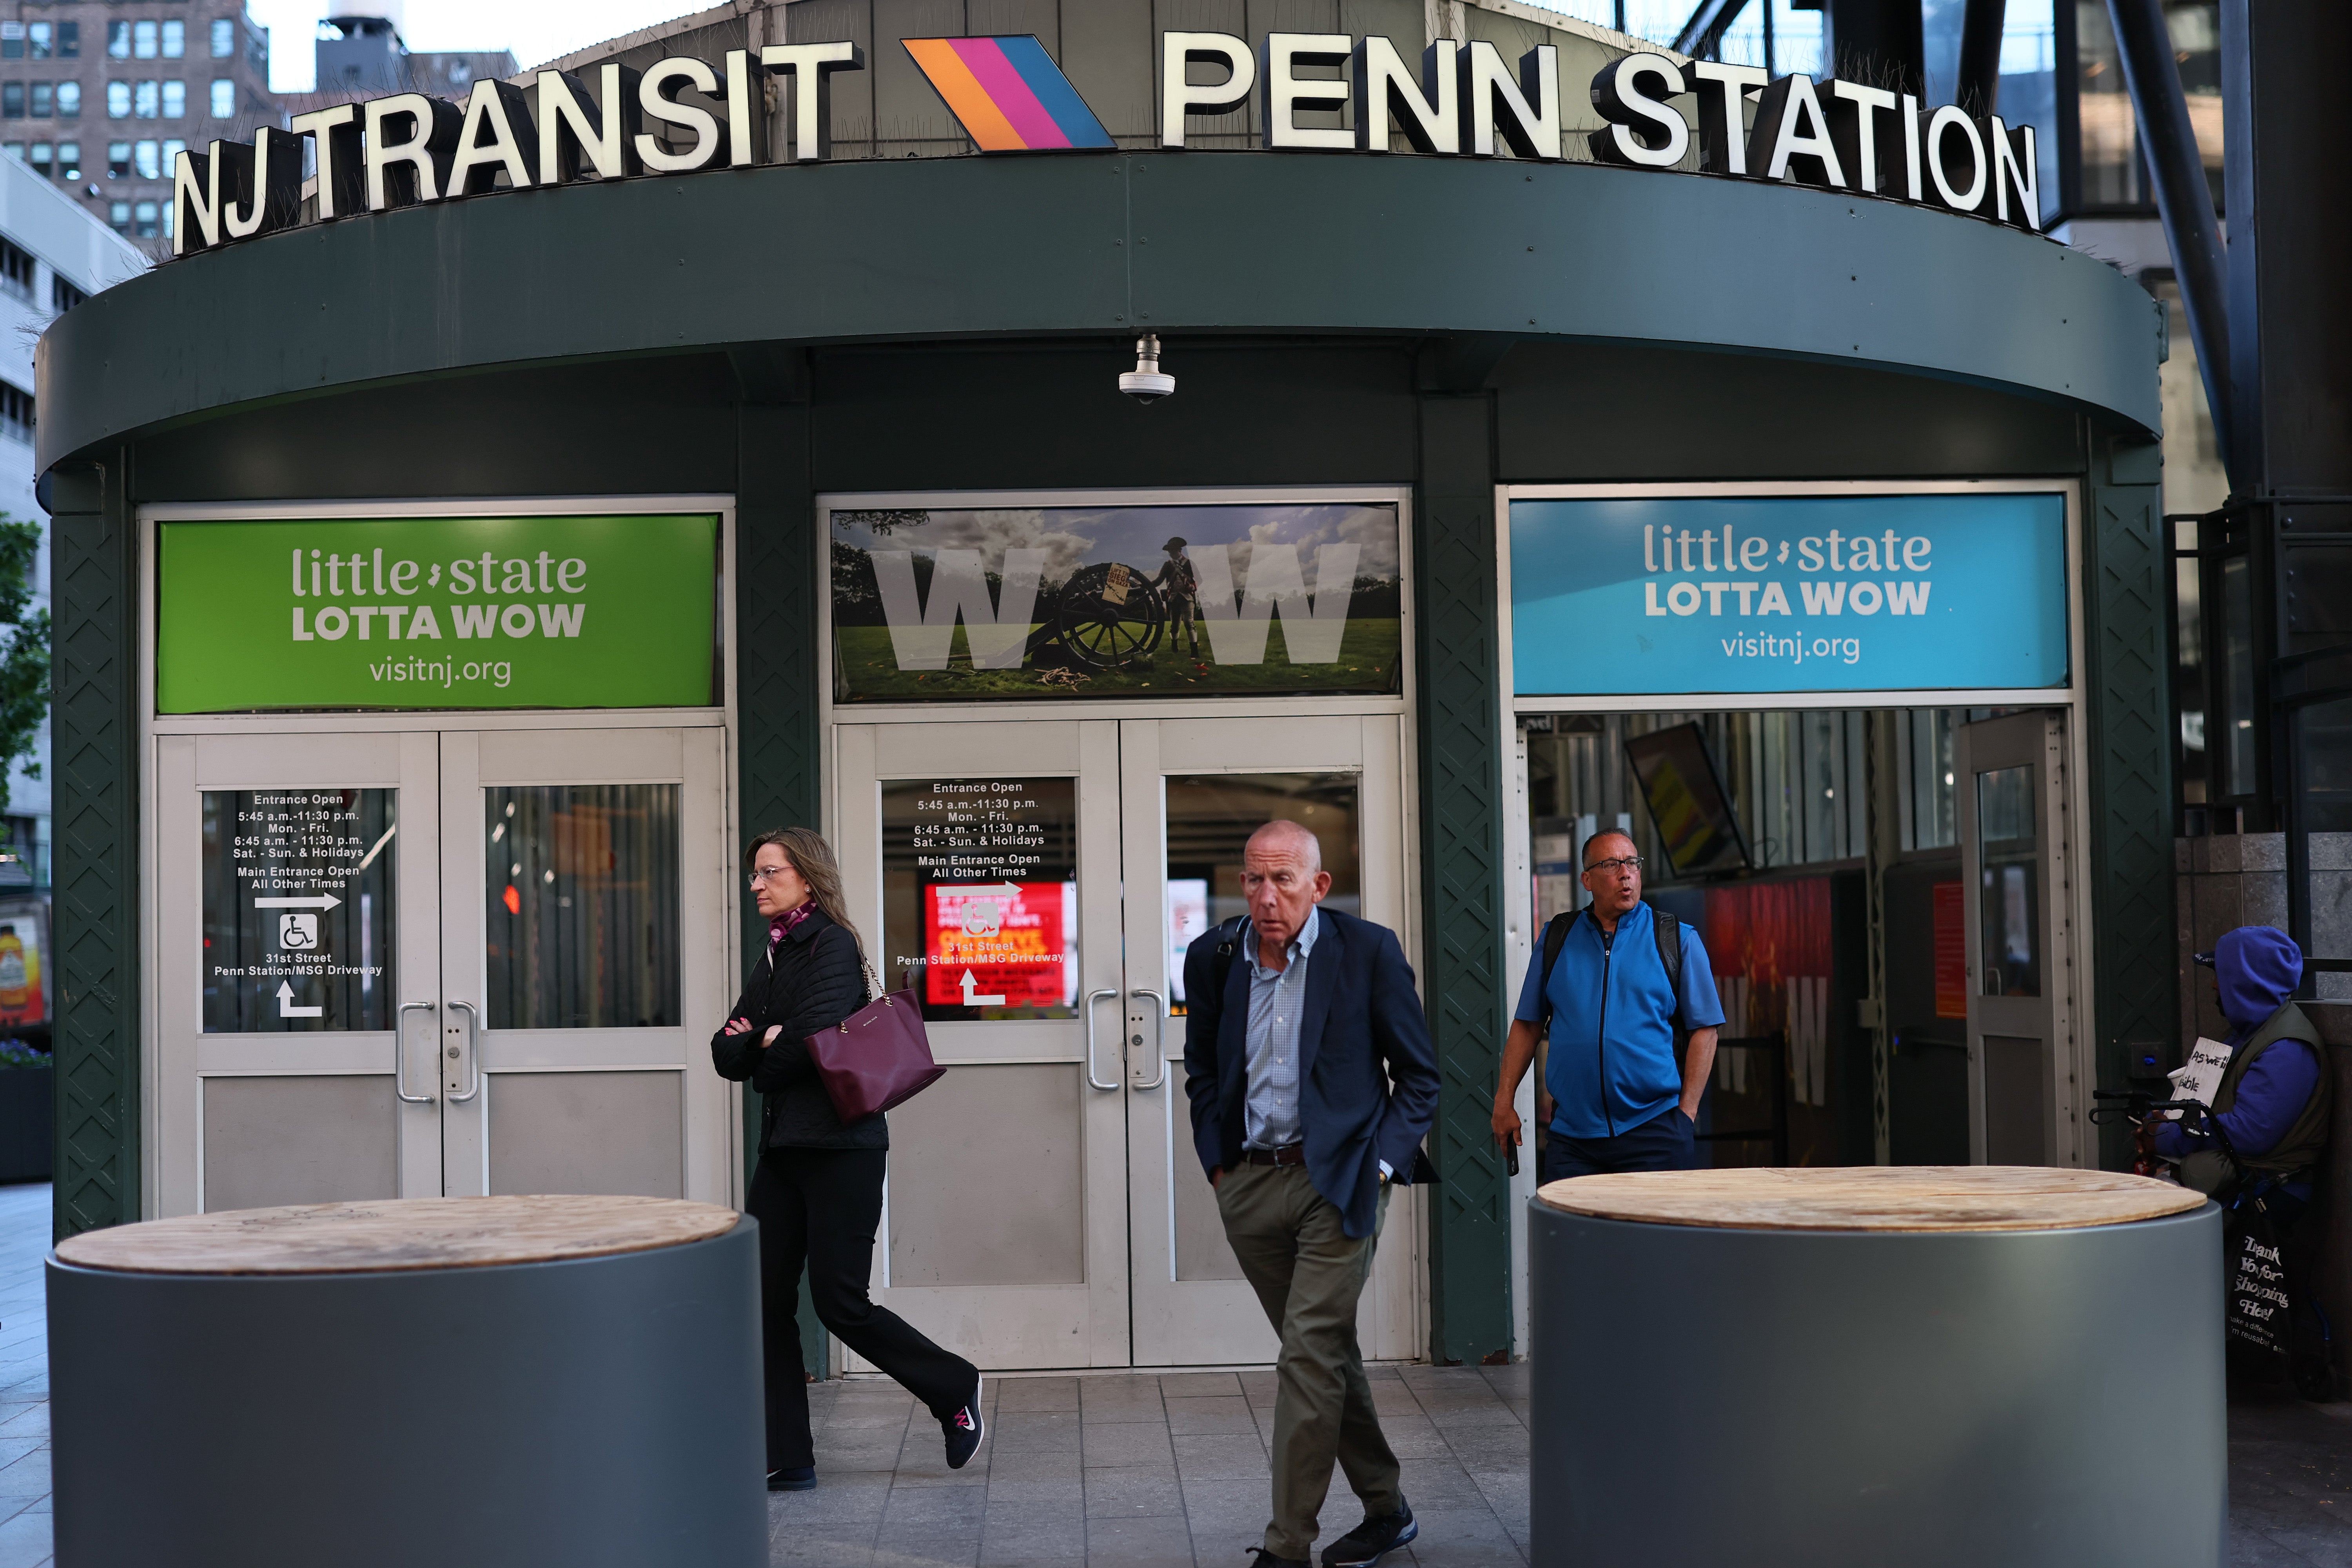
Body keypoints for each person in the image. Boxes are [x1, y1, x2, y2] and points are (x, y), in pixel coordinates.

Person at [1182, 819, 1441, 1568]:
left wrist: (1384, 1167)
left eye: (1284, 880)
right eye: (1255, 880)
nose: (1267, 896)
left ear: (1319, 886)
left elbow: (1418, 1078)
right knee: (1323, 1353)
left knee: (1305, 1355)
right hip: (1252, 1186)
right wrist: (1218, 1167)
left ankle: (1286, 1547)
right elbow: (1201, 1068)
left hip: (1343, 1183)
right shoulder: (1215, 956)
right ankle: (1387, 1509)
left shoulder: (1367, 952)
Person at [711, 827, 984, 1492]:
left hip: (842, 1151)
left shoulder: (831, 944)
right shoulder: (772, 957)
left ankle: (953, 1386)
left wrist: (768, 1047)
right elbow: (726, 1052)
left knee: (840, 1303)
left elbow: (802, 1049)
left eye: (769, 872)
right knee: (764, 1298)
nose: (757, 884)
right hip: (783, 1152)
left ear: (807, 877)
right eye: (754, 874)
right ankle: (789, 1455)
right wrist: (760, 1044)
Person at [1490, 830, 1723, 1180]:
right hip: (1573, 1139)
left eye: (1632, 863)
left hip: (1655, 1132)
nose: (1626, 873)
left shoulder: (1677, 939)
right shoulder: (1557, 938)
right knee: (1572, 1237)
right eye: (1611, 865)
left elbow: (1705, 1029)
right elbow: (1527, 1024)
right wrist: (1503, 1099)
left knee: (1653, 1237)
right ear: (1587, 879)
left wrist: (1685, 1115)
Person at [2158, 925, 2331, 1198]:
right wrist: (2158, 1121)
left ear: (2244, 982)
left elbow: (2251, 1132)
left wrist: (2169, 1135)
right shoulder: (2249, 1032)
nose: (2214, 984)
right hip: (2229, 1175)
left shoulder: (2287, 1048)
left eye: (2220, 975)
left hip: (2263, 1191)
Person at [1153, 534, 1204, 659]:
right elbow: (1159, 581)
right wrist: (1145, 584)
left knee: (1189, 622)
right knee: (1175, 625)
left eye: (1173, 551)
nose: (1170, 553)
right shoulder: (1167, 565)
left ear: (1179, 551)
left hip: (1187, 597)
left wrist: (1192, 587)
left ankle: (1194, 651)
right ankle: (1174, 646)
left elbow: (1199, 580)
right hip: (1173, 598)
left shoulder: (1189, 564)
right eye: (1170, 551)